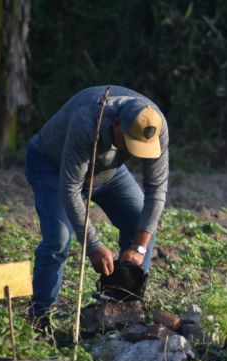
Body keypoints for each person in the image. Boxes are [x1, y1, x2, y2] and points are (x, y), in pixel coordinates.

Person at [24, 85, 169, 325]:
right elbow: (70, 189)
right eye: (131, 142)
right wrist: (93, 246)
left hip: (108, 171)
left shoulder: (156, 126)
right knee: (58, 240)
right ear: (116, 124)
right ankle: (40, 319)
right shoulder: (88, 120)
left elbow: (157, 190)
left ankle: (123, 310)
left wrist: (140, 248)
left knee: (140, 223)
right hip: (53, 166)